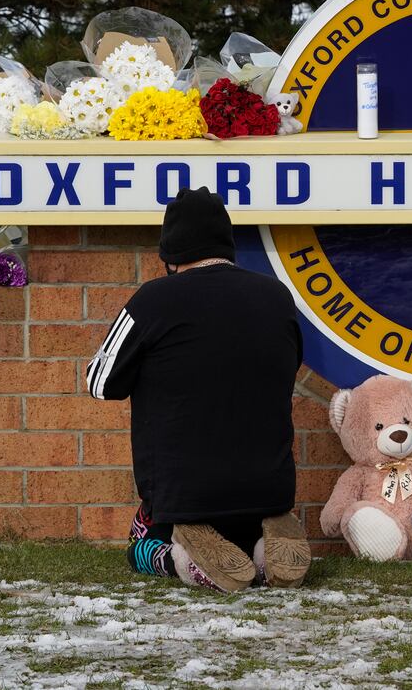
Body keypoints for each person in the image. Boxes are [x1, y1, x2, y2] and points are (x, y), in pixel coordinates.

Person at [87, 187, 309, 591]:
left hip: (183, 492)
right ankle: (263, 551)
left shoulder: (153, 300)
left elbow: (100, 384)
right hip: (268, 489)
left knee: (140, 542)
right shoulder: (277, 297)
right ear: (227, 245)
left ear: (170, 256)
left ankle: (182, 558)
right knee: (244, 532)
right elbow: (290, 366)